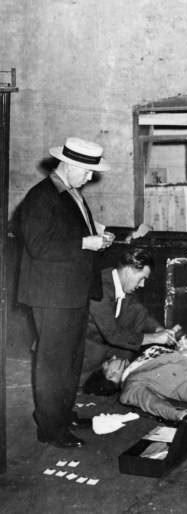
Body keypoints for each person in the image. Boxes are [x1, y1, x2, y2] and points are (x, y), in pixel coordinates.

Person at [17, 137, 114, 448]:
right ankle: (50, 428)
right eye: (87, 172)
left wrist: (94, 231)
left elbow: (64, 230)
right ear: (70, 166)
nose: (90, 178)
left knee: (71, 359)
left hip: (70, 291)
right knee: (53, 362)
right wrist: (86, 243)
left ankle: (61, 414)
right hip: (52, 295)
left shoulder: (70, 192)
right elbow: (39, 244)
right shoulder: (41, 197)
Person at [83, 249, 178, 381]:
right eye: (142, 278)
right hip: (86, 368)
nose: (142, 284)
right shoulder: (100, 288)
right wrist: (155, 338)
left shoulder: (121, 286)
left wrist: (160, 330)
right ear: (128, 270)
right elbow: (113, 335)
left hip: (104, 361)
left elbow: (139, 312)